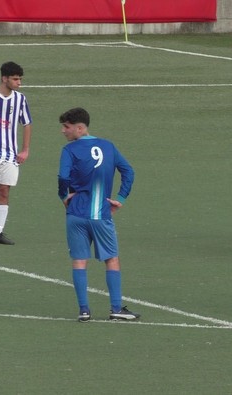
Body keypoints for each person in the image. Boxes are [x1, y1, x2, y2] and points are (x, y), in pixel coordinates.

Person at [57, 107, 139, 322]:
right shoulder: (108, 146)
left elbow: (63, 177)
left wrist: (64, 196)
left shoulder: (70, 150)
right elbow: (128, 172)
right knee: (111, 259)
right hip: (101, 214)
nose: (63, 131)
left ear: (80, 127)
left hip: (75, 214)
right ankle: (115, 308)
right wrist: (120, 200)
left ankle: (84, 310)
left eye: (66, 127)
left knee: (79, 260)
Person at [0, 61, 32, 245]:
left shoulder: (20, 99)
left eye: (20, 79)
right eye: (16, 79)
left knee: (4, 190)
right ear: (4, 78)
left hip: (10, 154)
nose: (19, 83)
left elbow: (26, 123)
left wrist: (25, 149)